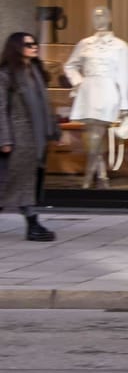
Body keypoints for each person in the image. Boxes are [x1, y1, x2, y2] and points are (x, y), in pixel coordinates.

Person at [0, 32, 59, 242]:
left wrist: (52, 130)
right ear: (16, 48)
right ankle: (33, 224)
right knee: (12, 182)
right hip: (17, 136)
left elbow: (44, 106)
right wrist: (4, 139)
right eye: (29, 44)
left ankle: (33, 224)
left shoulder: (34, 71)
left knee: (20, 182)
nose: (34, 47)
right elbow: (1, 109)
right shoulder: (6, 74)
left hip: (35, 137)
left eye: (35, 43)